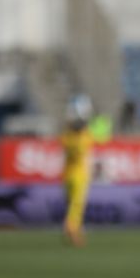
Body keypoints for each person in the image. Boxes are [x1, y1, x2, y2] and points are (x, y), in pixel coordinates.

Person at [60, 98, 94, 246]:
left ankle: (76, 227)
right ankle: (72, 228)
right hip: (79, 175)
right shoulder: (84, 138)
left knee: (71, 204)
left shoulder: (67, 137)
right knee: (77, 205)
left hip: (67, 175)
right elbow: (95, 135)